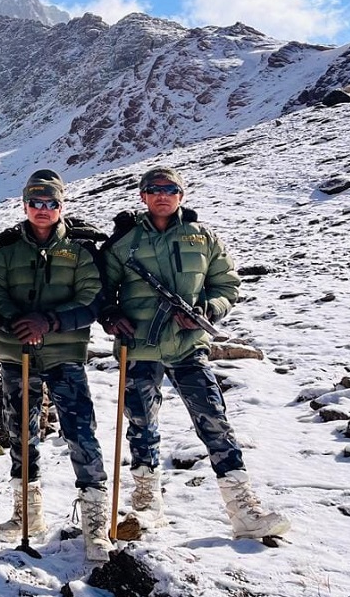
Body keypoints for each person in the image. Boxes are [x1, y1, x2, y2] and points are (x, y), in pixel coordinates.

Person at [99, 167, 290, 539]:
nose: (162, 195)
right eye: (153, 189)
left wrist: (209, 310)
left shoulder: (203, 238)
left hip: (189, 347)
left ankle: (243, 509)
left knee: (214, 420)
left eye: (170, 189)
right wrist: (110, 315)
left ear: (181, 196)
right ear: (143, 196)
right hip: (139, 346)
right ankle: (145, 502)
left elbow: (226, 284)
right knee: (140, 424)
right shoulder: (124, 241)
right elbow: (102, 288)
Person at [0, 170, 112, 561]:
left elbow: (93, 297)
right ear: (24, 205)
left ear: (62, 206)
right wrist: (16, 322)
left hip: (64, 353)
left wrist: (50, 321)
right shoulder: (4, 249)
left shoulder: (81, 248)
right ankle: (28, 511)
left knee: (80, 431)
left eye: (51, 203)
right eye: (36, 203)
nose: (43, 210)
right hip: (15, 351)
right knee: (21, 430)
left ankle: (95, 522)